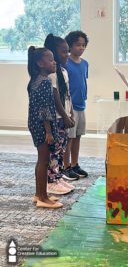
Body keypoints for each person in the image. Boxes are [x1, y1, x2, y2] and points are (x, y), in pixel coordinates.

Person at [27, 46, 63, 209]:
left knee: (41, 159)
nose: (54, 62)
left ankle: (39, 193)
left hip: (37, 123)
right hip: (42, 125)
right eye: (50, 60)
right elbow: (44, 109)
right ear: (40, 63)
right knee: (44, 160)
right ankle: (42, 197)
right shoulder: (44, 82)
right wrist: (48, 131)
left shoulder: (37, 80)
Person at [44, 34, 75, 194]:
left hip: (64, 116)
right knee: (55, 150)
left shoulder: (62, 70)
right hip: (56, 118)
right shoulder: (52, 74)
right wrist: (64, 115)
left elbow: (66, 95)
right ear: (53, 53)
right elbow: (56, 98)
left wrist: (71, 112)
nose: (67, 55)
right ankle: (51, 181)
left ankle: (59, 176)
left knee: (62, 148)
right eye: (64, 52)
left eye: (68, 51)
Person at [63, 31, 89, 179]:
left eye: (83, 45)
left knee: (78, 136)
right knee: (69, 138)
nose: (81, 48)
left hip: (81, 105)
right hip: (70, 107)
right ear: (70, 46)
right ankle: (66, 167)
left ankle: (75, 164)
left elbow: (83, 82)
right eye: (78, 45)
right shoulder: (66, 63)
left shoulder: (85, 63)